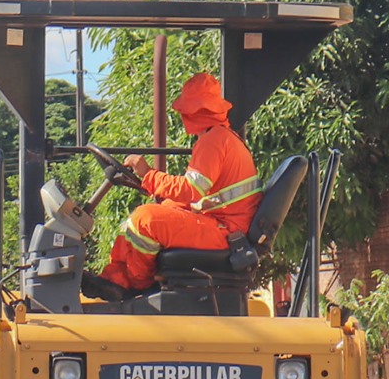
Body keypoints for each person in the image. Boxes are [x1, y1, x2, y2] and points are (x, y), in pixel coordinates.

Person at [90, 72, 261, 297]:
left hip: (226, 232)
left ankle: (135, 286)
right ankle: (114, 279)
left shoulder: (214, 141)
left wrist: (148, 174)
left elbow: (190, 189)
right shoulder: (220, 138)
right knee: (146, 217)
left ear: (196, 111)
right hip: (222, 224)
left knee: (146, 220)